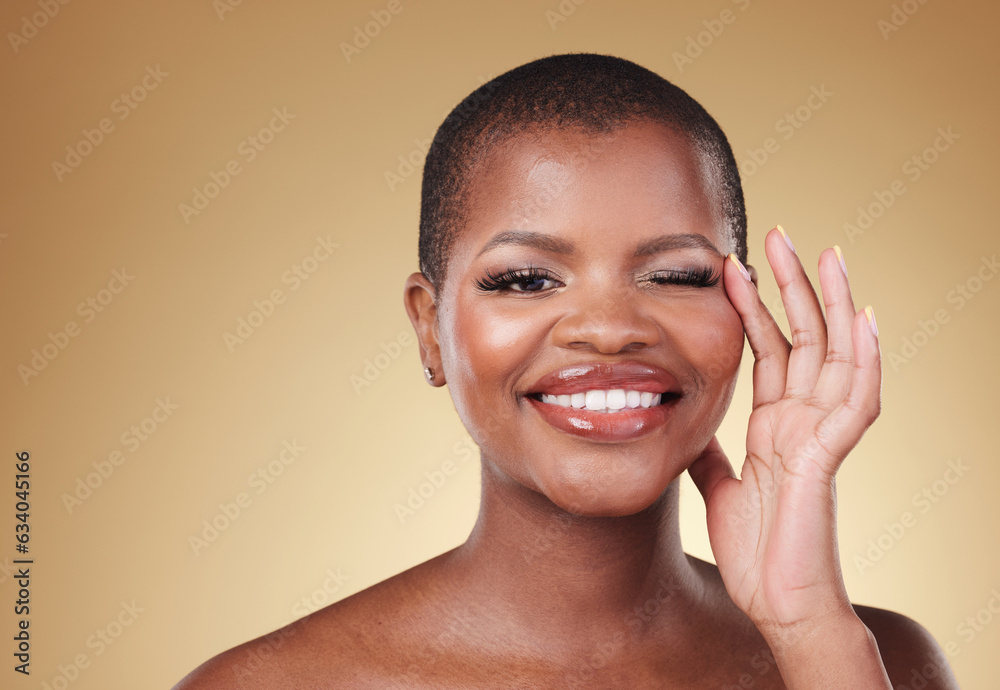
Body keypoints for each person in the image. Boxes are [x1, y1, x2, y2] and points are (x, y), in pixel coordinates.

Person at [174, 53, 959, 688]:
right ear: (429, 328)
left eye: (677, 275)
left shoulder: (881, 662)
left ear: (744, 307)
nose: (610, 330)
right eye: (525, 279)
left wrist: (808, 629)